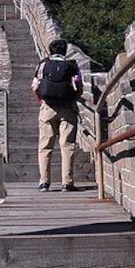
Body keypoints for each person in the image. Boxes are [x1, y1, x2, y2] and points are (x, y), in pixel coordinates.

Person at [31, 39, 83, 192]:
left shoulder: (43, 64)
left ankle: (44, 182)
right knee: (67, 146)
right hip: (67, 108)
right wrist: (75, 97)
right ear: (65, 51)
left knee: (45, 146)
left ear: (50, 51)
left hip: (48, 108)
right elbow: (78, 83)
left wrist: (41, 99)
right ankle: (67, 182)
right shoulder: (72, 65)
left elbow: (35, 86)